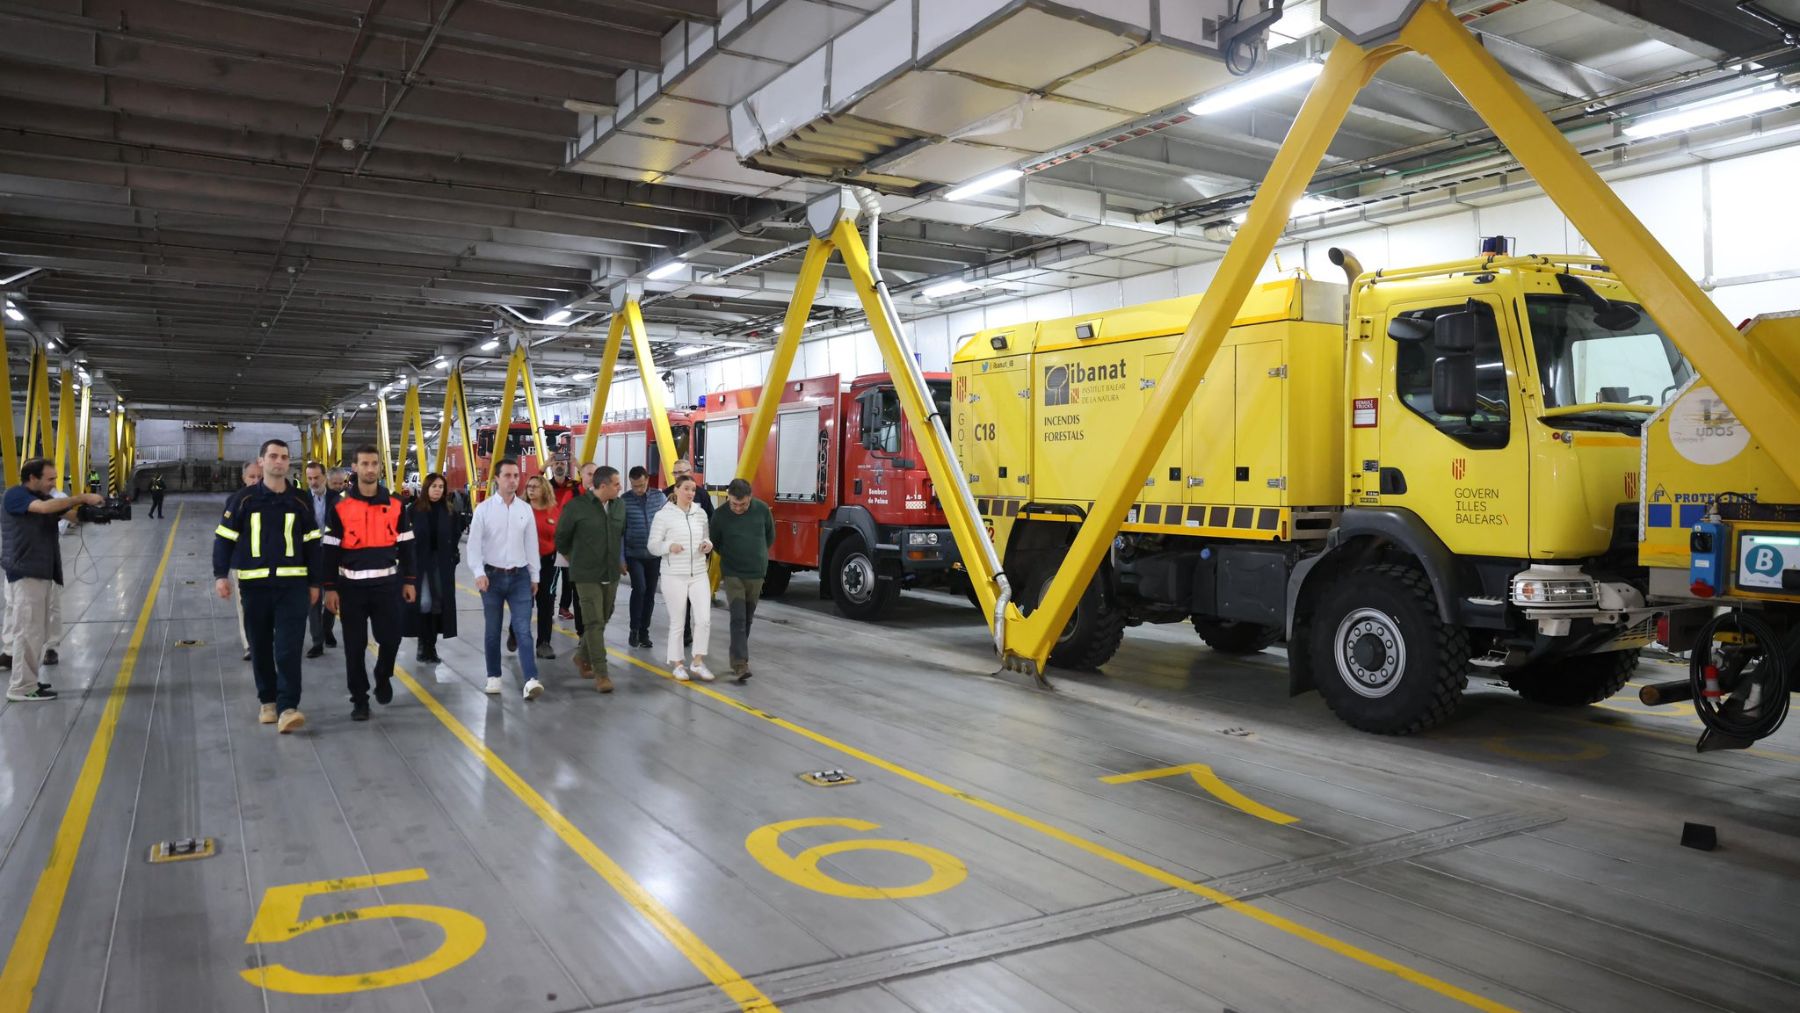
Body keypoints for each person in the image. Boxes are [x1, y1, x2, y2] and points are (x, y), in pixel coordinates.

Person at [213, 440, 320, 733]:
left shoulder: (300, 500)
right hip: (255, 588)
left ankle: (288, 707)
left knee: (288, 649)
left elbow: (312, 544)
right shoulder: (243, 500)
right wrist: (220, 575)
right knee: (260, 646)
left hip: (293, 587)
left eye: (284, 457)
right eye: (273, 456)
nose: (279, 461)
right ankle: (268, 701)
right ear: (261, 461)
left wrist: (315, 582)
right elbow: (224, 539)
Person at [322, 446, 416, 722]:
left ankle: (383, 674)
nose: (371, 468)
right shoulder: (340, 506)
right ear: (355, 468)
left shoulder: (396, 505)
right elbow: (329, 549)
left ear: (379, 468)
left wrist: (409, 580)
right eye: (364, 463)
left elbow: (408, 546)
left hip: (387, 585)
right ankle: (360, 699)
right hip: (350, 588)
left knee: (391, 638)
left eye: (374, 463)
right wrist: (330, 587)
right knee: (354, 645)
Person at [2, 459, 102, 701]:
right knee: (27, 632)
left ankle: (29, 682)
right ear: (32, 478)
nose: (54, 483)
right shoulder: (15, 495)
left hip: (42, 572)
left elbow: (71, 516)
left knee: (36, 632)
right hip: (26, 572)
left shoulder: (45, 500)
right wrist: (80, 498)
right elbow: (46, 510)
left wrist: (98, 514)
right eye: (50, 479)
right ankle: (21, 688)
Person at [466, 458, 543, 700]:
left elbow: (531, 544)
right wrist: (478, 573)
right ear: (497, 478)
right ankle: (493, 676)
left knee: (523, 629)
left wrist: (534, 575)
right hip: (492, 578)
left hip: (520, 577)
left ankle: (531, 679)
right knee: (492, 629)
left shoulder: (525, 509)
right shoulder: (484, 510)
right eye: (507, 476)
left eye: (516, 476)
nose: (513, 480)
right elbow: (473, 545)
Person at [556, 464, 627, 692]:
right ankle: (601, 673)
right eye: (616, 484)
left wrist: (619, 559)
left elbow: (620, 535)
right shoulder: (576, 507)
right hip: (586, 574)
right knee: (594, 622)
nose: (620, 487)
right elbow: (562, 539)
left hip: (611, 572)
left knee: (604, 616)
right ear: (603, 485)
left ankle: (581, 656)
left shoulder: (619, 506)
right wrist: (575, 558)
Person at [648, 474, 713, 682]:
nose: (690, 493)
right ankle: (677, 664)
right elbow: (653, 545)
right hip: (674, 575)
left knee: (704, 620)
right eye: (686, 489)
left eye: (693, 490)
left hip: (699, 573)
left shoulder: (700, 513)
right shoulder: (663, 515)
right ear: (675, 490)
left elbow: (706, 537)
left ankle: (698, 662)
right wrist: (669, 547)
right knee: (678, 621)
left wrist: (707, 545)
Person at [711, 478, 775, 685]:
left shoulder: (762, 510)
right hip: (733, 573)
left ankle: (737, 656)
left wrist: (756, 555)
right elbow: (716, 542)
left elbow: (769, 536)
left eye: (743, 504)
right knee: (738, 617)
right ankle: (740, 663)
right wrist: (733, 556)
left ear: (750, 498)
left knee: (747, 618)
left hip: (756, 572)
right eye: (734, 504)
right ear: (728, 498)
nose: (738, 508)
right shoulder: (720, 516)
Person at [404, 473, 459, 663]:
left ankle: (431, 646)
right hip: (420, 563)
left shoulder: (450, 511)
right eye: (434, 486)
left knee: (438, 604)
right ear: (426, 488)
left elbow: (455, 536)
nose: (438, 490)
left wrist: (453, 556)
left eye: (441, 487)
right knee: (424, 602)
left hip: (441, 563)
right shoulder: (413, 510)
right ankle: (422, 644)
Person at [665, 458, 712, 650]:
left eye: (684, 471)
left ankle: (689, 631)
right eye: (677, 473)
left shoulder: (702, 494)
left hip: (696, 556)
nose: (681, 475)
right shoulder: (666, 494)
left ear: (691, 472)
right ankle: (682, 631)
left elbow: (710, 520)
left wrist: (707, 544)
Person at [621, 466, 666, 650]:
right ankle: (634, 629)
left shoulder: (659, 497)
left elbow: (666, 524)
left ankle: (644, 632)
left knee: (650, 594)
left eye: (641, 485)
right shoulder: (624, 500)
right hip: (634, 554)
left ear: (647, 480)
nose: (638, 489)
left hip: (654, 555)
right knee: (639, 588)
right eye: (634, 486)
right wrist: (621, 558)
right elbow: (620, 532)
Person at [301, 462, 340, 658]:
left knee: (331, 597)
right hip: (310, 555)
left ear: (324, 477)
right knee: (313, 600)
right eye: (310, 478)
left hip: (332, 554)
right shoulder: (301, 500)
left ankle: (327, 629)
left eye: (317, 477)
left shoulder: (337, 499)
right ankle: (317, 642)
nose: (313, 482)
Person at [524, 474, 562, 661]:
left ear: (544, 489)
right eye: (529, 486)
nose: (531, 489)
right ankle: (516, 632)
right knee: (524, 602)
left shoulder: (553, 511)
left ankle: (544, 643)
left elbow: (560, 536)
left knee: (546, 602)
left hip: (548, 562)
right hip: (524, 564)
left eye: (536, 487)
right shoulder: (521, 510)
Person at [232, 458, 263, 661]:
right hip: (243, 564)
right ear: (244, 478)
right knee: (245, 606)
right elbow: (226, 536)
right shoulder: (237, 502)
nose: (256, 481)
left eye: (260, 477)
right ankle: (250, 645)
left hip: (269, 564)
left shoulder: (276, 500)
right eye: (252, 477)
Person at [550, 461, 580, 619]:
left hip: (570, 538)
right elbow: (532, 486)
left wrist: (579, 464)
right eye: (555, 463)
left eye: (562, 462)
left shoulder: (574, 485)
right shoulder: (547, 485)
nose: (559, 465)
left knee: (569, 576)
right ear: (551, 466)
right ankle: (549, 604)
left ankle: (564, 607)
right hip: (551, 537)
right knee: (552, 576)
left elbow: (591, 484)